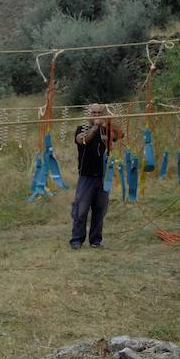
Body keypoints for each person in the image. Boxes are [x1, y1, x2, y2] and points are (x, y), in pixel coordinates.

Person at [70, 103, 122, 249]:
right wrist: (95, 127)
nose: (96, 116)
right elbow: (83, 140)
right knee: (81, 210)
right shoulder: (81, 129)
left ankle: (95, 241)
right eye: (94, 113)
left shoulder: (106, 129)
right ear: (89, 115)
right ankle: (76, 240)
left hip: (103, 177)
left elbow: (119, 135)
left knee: (100, 210)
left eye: (99, 113)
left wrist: (110, 121)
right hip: (86, 176)